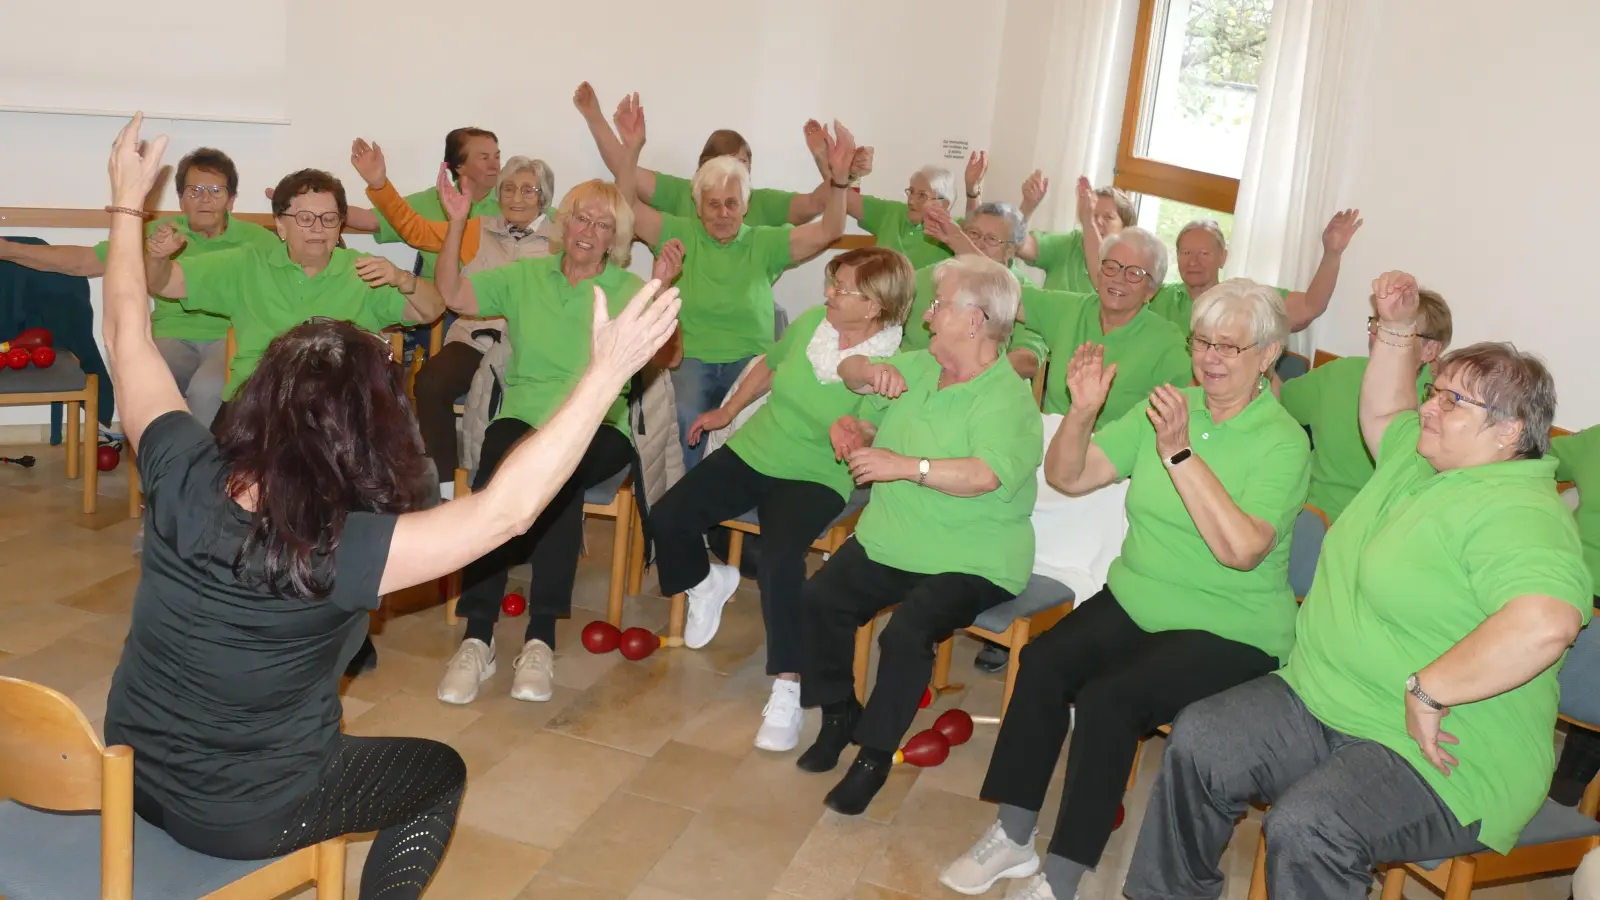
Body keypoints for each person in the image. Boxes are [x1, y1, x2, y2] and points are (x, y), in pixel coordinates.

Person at [101, 113, 679, 900]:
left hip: (125, 771)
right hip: (243, 813)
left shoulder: (179, 468)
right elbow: (509, 512)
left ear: (261, 394)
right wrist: (606, 374)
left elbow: (127, 335)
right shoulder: (351, 547)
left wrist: (126, 206)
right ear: (363, 426)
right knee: (437, 775)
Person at [1124, 272, 1592, 900]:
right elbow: (1384, 406)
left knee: (1311, 828)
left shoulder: (1519, 511)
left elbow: (1548, 621)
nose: (1430, 405)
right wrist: (1396, 327)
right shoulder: (1419, 457)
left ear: (1510, 431)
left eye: (1454, 402)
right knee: (1202, 739)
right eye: (1437, 390)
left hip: (1448, 750)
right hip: (1324, 698)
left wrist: (1430, 690)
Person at [940, 280, 1310, 900]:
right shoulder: (1169, 406)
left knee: (1112, 699)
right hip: (1140, 595)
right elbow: (1068, 476)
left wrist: (1181, 454)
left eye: (1230, 347)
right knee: (1045, 661)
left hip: (1229, 625)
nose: (1211, 359)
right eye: (1201, 343)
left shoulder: (1282, 441)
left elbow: (1241, 551)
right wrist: (1082, 412)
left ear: (1269, 355)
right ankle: (1012, 836)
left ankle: (1062, 876)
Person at [796, 256, 1044, 815]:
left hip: (971, 558)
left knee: (906, 632)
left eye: (939, 306)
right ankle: (839, 717)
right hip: (894, 539)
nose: (928, 317)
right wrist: (856, 421)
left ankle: (873, 756)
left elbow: (983, 475)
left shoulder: (1006, 399)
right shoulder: (925, 367)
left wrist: (906, 465)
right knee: (820, 599)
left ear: (976, 321)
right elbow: (855, 369)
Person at [431, 170, 685, 705]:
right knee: (493, 482)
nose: (589, 230)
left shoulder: (625, 287)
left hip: (599, 422)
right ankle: (478, 638)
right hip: (522, 417)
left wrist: (661, 292)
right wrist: (457, 224)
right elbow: (452, 294)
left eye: (603, 224)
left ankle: (540, 638)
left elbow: (672, 357)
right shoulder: (526, 276)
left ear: (616, 239)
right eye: (581, 218)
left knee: (560, 476)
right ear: (564, 225)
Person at [650, 247, 913, 752]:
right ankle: (708, 581)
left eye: (843, 288)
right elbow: (770, 367)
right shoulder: (813, 322)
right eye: (831, 281)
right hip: (757, 449)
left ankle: (790, 684)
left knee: (778, 559)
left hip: (817, 474)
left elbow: (880, 429)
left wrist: (855, 430)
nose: (829, 293)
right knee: (668, 516)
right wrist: (728, 412)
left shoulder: (891, 365)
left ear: (875, 306)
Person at [611, 93, 855, 467]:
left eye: (732, 204)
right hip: (690, 360)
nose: (723, 213)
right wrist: (631, 149)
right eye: (713, 204)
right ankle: (692, 513)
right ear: (698, 206)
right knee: (687, 415)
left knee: (755, 425)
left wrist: (838, 182)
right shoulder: (679, 233)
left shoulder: (765, 242)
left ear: (745, 205)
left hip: (751, 363)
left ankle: (729, 517)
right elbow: (626, 208)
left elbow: (832, 228)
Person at [0, 147, 276, 427]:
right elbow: (83, 261)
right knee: (145, 383)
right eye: (194, 191)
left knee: (206, 390)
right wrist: (7, 250)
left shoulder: (257, 241)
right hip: (172, 336)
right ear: (181, 200)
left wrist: (292, 218)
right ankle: (161, 463)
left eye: (216, 190)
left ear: (231, 200)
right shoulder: (160, 234)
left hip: (231, 336)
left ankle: (197, 467)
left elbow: (302, 268)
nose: (205, 199)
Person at [143, 168, 446, 414]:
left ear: (340, 226)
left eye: (329, 219)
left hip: (339, 411)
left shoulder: (364, 270)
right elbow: (164, 282)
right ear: (281, 225)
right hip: (260, 408)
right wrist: (158, 257)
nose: (318, 229)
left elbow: (432, 310)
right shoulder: (247, 264)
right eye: (305, 219)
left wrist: (404, 279)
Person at [349, 138, 558, 495]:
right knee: (429, 382)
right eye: (508, 188)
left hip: (532, 346)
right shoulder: (477, 228)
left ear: (544, 197)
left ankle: (519, 493)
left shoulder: (562, 241)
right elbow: (416, 230)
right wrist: (380, 185)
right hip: (476, 337)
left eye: (528, 190)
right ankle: (444, 489)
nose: (517, 197)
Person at [1279, 288, 1453, 522]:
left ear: (1431, 349)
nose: (1379, 336)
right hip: (1309, 517)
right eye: (1377, 325)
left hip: (1371, 530)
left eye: (1397, 331)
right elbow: (1283, 402)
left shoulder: (1439, 408)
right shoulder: (1339, 373)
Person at [575, 81, 833, 227]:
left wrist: (829, 162)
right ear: (704, 168)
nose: (735, 171)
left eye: (743, 162)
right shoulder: (680, 193)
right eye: (727, 162)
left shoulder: (764, 203)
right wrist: (594, 116)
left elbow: (818, 203)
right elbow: (624, 170)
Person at [1123, 211, 1363, 335]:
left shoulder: (1243, 300)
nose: (1194, 262)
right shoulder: (1159, 297)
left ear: (1223, 258)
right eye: (1186, 253)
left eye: (1204, 254)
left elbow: (1311, 306)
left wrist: (1332, 252)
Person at [904, 202, 1049, 381]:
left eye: (991, 239)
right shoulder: (926, 277)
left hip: (982, 387)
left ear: (1010, 251)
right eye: (973, 234)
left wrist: (967, 377)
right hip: (910, 379)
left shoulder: (1023, 295)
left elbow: (1027, 361)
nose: (979, 244)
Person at [1550, 425, 1600, 804]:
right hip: (1574, 597)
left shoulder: (1595, 439)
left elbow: (1533, 455)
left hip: (1567, 591)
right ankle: (1568, 791)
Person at [1016, 175, 1135, 294]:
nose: (1097, 221)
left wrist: (1089, 223)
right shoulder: (1069, 244)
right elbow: (1019, 244)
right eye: (1093, 214)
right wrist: (1028, 204)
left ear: (1125, 228)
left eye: (1108, 217)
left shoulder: (1130, 268)